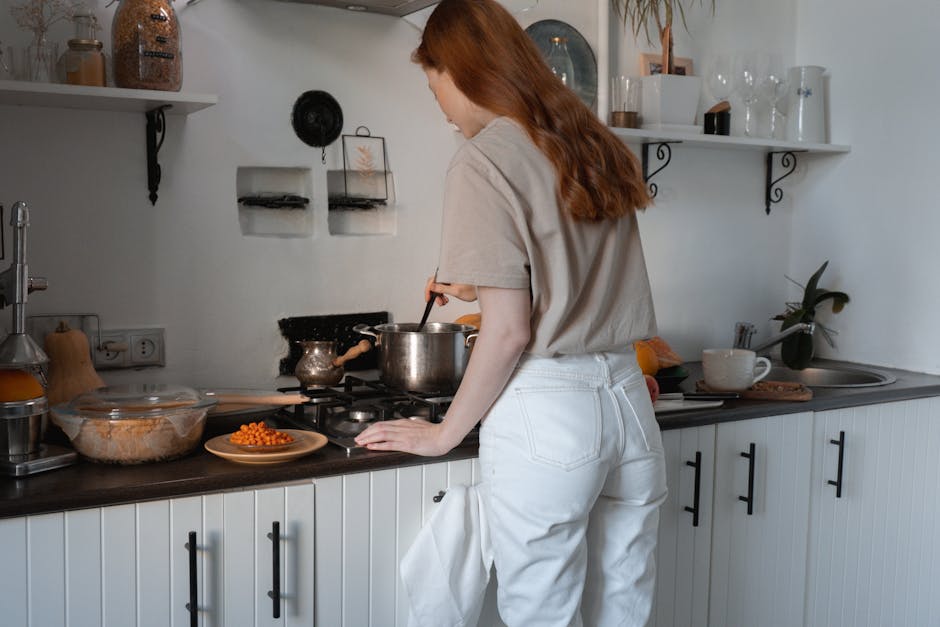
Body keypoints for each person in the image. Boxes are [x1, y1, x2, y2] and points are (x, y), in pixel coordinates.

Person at [354, 1, 667, 624]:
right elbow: (567, 271)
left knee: (542, 615)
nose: (439, 107)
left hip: (549, 413)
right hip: (629, 403)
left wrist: (445, 435)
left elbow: (508, 333)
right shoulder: (588, 140)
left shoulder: (483, 159)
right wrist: (477, 290)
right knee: (624, 610)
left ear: (456, 68)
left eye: (431, 84)